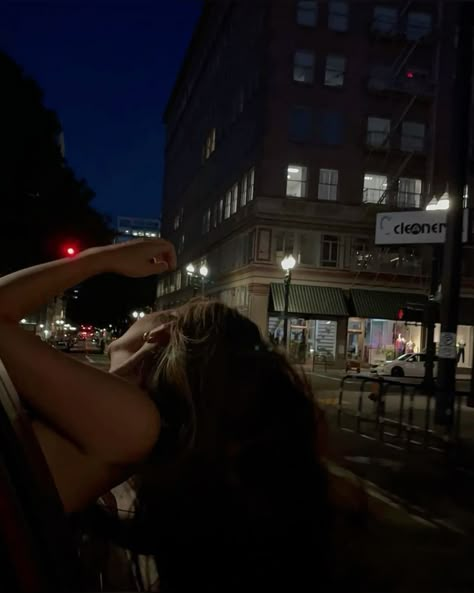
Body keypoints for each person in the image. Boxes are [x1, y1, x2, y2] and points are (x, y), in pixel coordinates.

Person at [0, 239, 331, 592]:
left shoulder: (135, 421)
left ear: (164, 335)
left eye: (175, 312)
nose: (157, 311)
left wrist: (96, 261)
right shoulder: (119, 418)